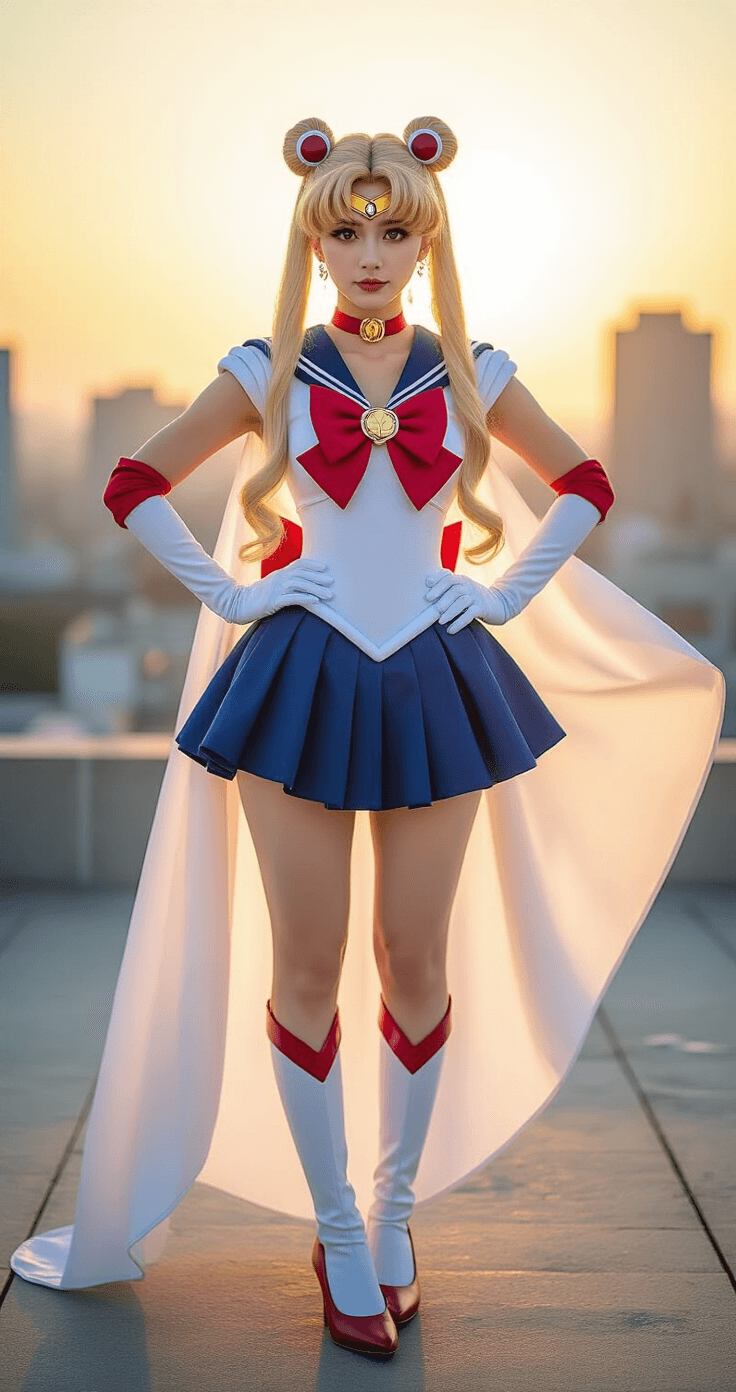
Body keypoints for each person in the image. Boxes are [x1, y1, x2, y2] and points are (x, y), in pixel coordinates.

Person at [10, 117, 725, 1360]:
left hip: (435, 675)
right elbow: (133, 483)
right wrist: (237, 594)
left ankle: (394, 1215)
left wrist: (501, 596)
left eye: (395, 229)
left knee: (412, 960)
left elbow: (587, 484)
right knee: (304, 962)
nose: (372, 252)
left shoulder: (475, 369)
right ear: (315, 238)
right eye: (348, 231)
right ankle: (337, 1228)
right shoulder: (265, 367)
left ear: (425, 236)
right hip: (298, 676)